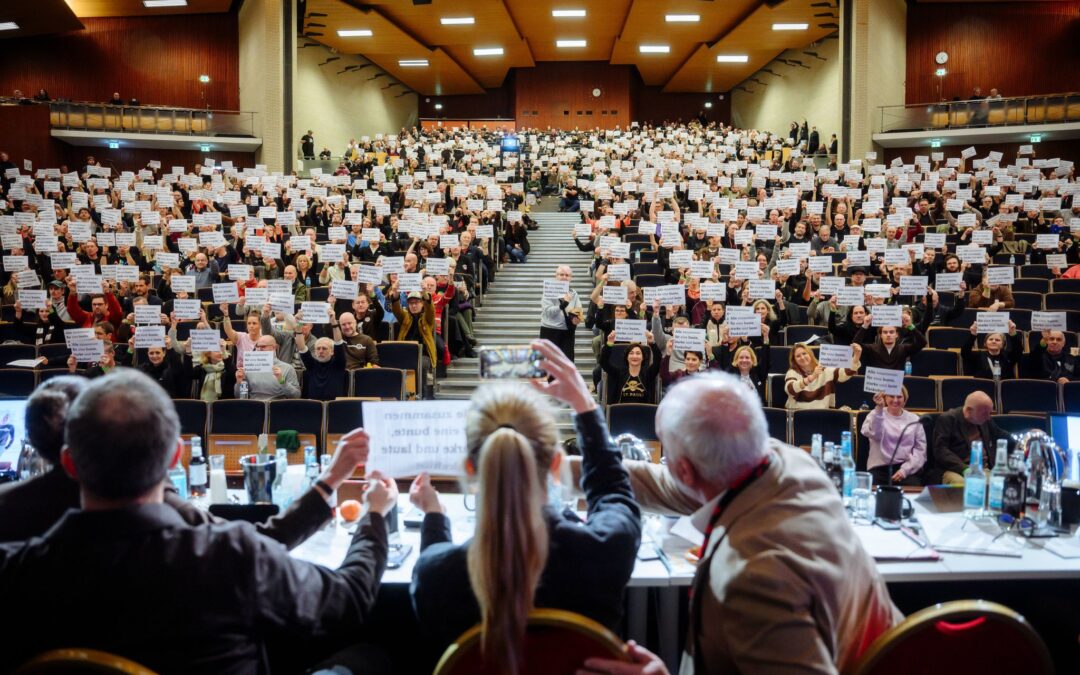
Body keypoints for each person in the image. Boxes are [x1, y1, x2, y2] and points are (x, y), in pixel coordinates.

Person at [0, 370, 396, 672]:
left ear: (69, 463)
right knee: (369, 657)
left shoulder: (16, 572)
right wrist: (375, 516)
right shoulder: (231, 555)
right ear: (175, 456)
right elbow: (349, 600)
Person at [579, 371, 900, 675]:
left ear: (685, 471)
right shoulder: (788, 462)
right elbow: (667, 484)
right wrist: (564, 471)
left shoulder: (753, 580)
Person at [409, 339, 641, 671]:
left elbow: (433, 557)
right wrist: (584, 405)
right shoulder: (604, 551)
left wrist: (434, 517)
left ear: (472, 469)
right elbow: (614, 493)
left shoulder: (435, 578)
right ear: (557, 463)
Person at [928, 391, 1012, 485]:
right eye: (984, 414)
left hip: (982, 469)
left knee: (1000, 484)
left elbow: (1001, 434)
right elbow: (940, 450)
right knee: (962, 484)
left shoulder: (985, 419)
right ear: (968, 411)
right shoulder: (948, 419)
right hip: (955, 470)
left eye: (989, 413)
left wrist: (1020, 445)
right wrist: (964, 469)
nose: (988, 417)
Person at [861, 388, 926, 486]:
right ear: (885, 398)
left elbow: (920, 451)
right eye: (891, 396)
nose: (895, 400)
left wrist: (905, 470)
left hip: (906, 467)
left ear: (905, 399)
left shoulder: (914, 419)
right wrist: (879, 409)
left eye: (899, 397)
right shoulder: (875, 414)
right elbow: (875, 435)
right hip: (879, 468)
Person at [784, 342, 861, 409]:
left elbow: (844, 374)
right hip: (798, 412)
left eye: (804, 353)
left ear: (810, 354)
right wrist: (811, 378)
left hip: (822, 413)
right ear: (794, 360)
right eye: (798, 356)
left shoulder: (824, 368)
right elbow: (790, 390)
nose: (802, 357)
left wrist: (856, 357)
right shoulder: (792, 372)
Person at [599, 336, 663, 405]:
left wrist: (652, 343)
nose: (634, 356)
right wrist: (609, 343)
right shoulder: (618, 373)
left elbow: (658, 359)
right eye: (631, 353)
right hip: (620, 411)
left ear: (643, 357)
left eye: (638, 353)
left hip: (644, 411)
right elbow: (603, 362)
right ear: (627, 357)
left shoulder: (649, 374)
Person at [234, 335, 300, 399]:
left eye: (263, 347)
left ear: (274, 347)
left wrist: (281, 381)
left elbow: (296, 396)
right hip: (255, 404)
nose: (259, 350)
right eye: (257, 346)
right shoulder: (249, 367)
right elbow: (239, 396)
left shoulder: (287, 368)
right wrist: (239, 382)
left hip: (276, 404)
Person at [539, 265, 581, 362]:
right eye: (561, 274)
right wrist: (563, 305)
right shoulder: (548, 291)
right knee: (548, 363)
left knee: (567, 362)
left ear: (571, 278)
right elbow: (548, 311)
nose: (564, 277)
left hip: (567, 332)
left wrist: (577, 319)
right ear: (556, 276)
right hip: (550, 331)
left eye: (567, 275)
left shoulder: (574, 293)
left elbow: (578, 310)